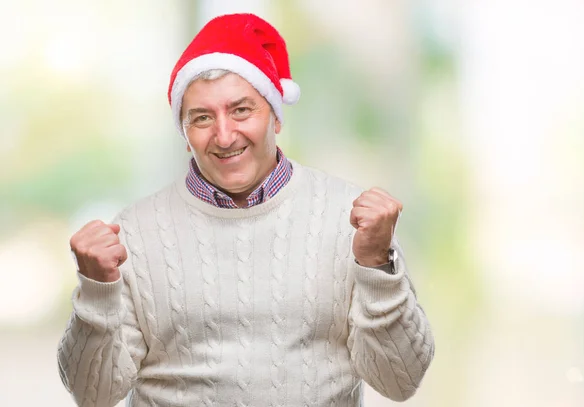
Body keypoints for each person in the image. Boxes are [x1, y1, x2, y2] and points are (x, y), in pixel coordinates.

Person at [58, 13, 434, 407]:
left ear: (275, 115)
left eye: (241, 110)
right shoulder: (134, 232)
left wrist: (376, 265)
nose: (224, 135)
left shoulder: (350, 221)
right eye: (202, 118)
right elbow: (92, 395)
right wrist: (96, 290)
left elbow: (399, 381)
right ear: (185, 134)